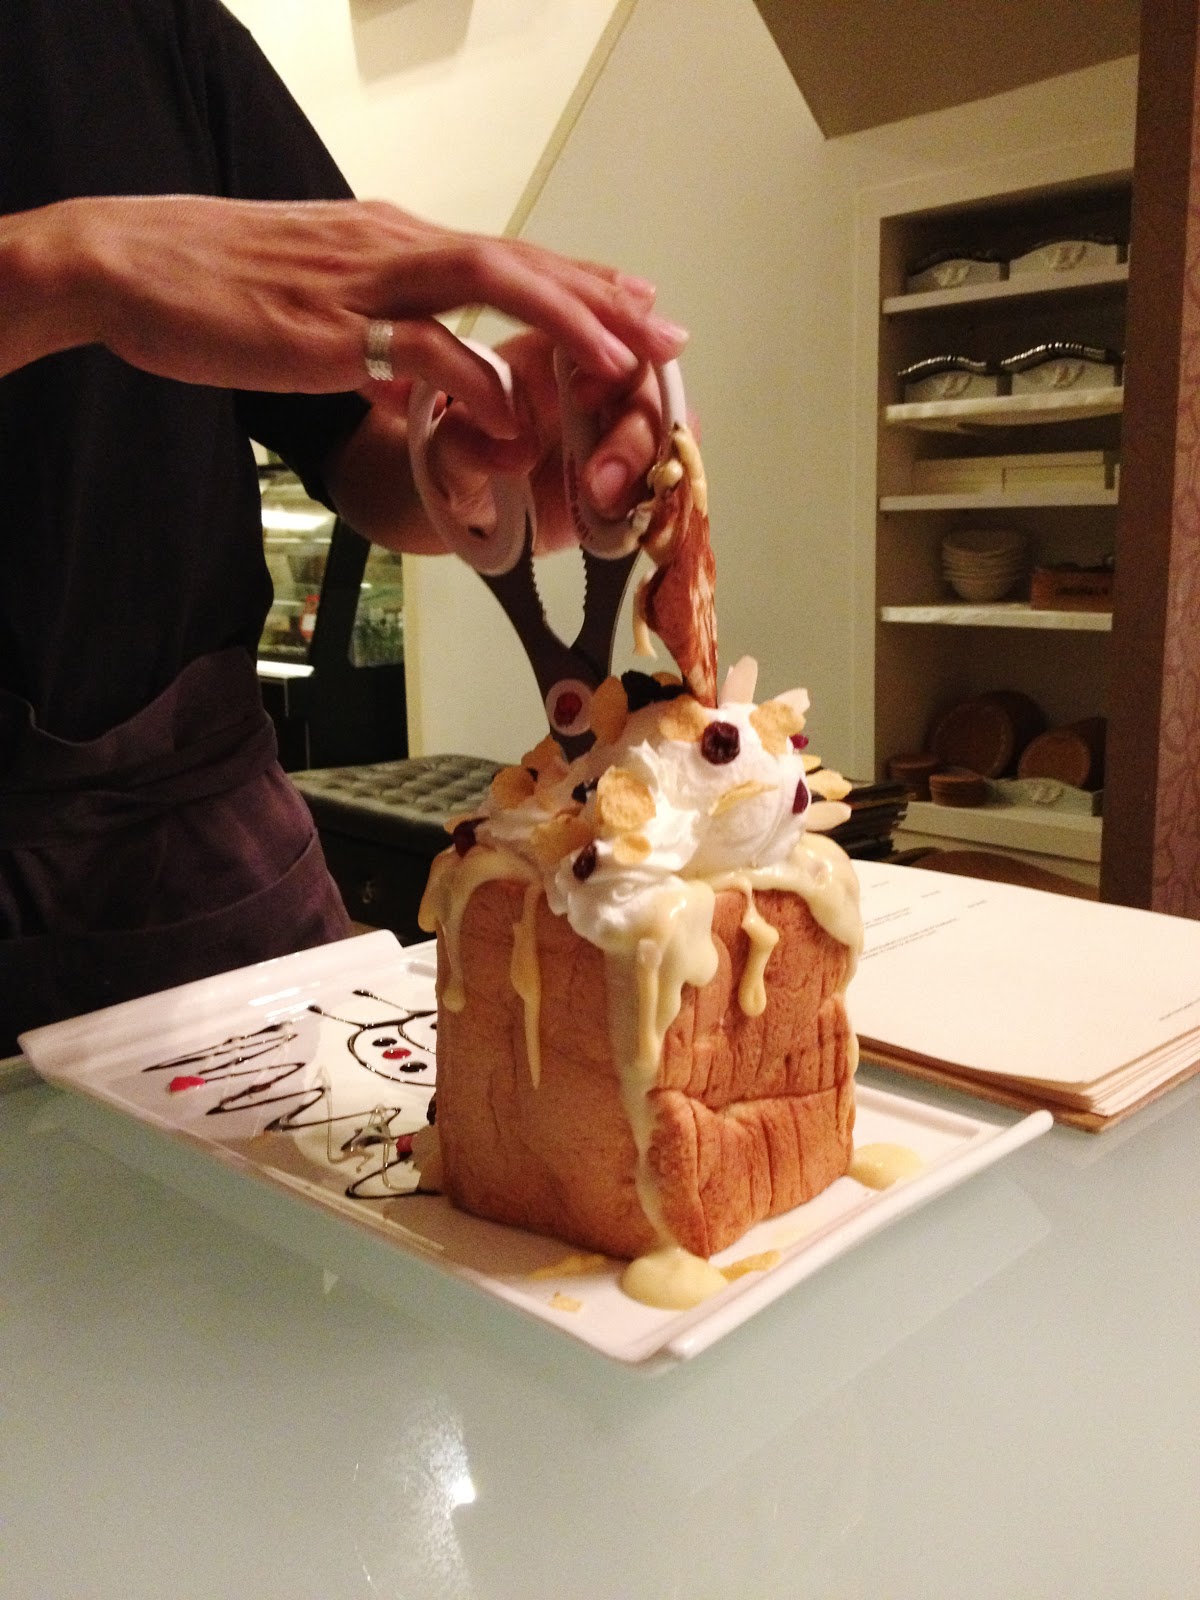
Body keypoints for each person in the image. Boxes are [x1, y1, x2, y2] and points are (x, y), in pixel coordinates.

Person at [0, 0, 688, 1053]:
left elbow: (357, 434)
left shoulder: (147, 26)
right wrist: (64, 267)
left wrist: (479, 461)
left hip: (194, 844)